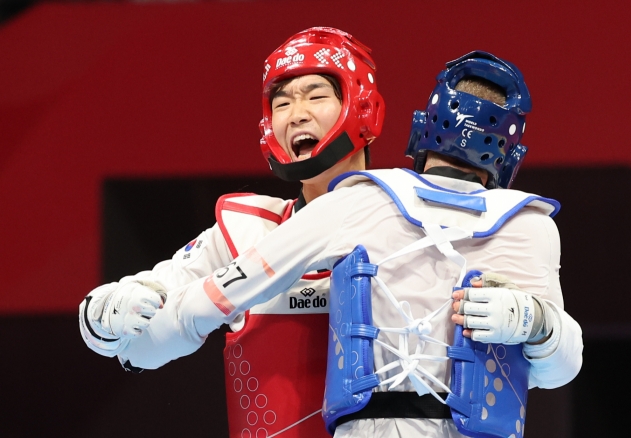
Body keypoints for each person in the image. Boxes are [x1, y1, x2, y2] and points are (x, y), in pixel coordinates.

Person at [144, 51, 583, 438]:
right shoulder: (530, 225)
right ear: (510, 153)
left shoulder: (360, 199)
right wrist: (539, 324)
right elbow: (558, 370)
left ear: (422, 128)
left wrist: (149, 335)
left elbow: (225, 290)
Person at [79, 27, 385, 437]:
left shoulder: (417, 217)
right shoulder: (246, 230)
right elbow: (139, 347)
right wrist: (106, 318)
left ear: (362, 106)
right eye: (281, 102)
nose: (296, 114)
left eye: (315, 96)